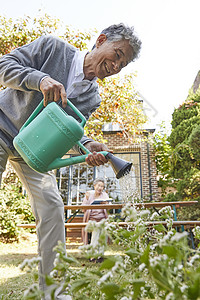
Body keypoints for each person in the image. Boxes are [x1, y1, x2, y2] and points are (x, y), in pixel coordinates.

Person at [0, 23, 141, 299]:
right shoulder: (52, 48)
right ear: (101, 41)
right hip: (3, 127)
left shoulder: (92, 97)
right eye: (117, 55)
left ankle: (53, 291)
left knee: (52, 205)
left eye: (122, 65)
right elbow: (4, 65)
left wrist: (87, 147)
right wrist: (40, 79)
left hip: (34, 153)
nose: (116, 66)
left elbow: (70, 134)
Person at [81, 178, 109, 245]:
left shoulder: (104, 195)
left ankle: (98, 252)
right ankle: (94, 251)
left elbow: (109, 207)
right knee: (97, 228)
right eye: (98, 185)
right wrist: (87, 199)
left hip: (103, 219)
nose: (100, 188)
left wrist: (106, 204)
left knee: (101, 228)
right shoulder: (89, 195)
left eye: (102, 186)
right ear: (94, 186)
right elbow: (83, 209)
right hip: (91, 220)